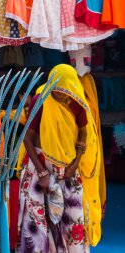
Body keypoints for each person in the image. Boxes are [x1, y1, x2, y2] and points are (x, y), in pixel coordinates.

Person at [18, 64, 102, 252]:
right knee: (38, 222)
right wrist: (42, 173)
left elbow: (82, 134)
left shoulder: (78, 103)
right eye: (56, 91)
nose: (60, 96)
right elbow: (27, 137)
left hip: (68, 168)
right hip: (39, 165)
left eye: (64, 92)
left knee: (72, 219)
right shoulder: (41, 100)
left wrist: (75, 164)